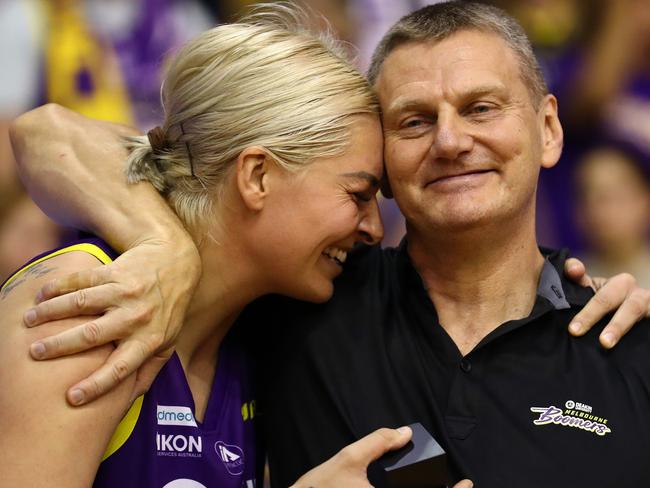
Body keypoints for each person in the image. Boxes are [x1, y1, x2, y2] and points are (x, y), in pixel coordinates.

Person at [9, 1, 650, 487]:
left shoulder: (624, 341)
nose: (450, 142)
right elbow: (50, 133)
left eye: (482, 108)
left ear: (548, 129)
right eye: (414, 121)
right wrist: (163, 246)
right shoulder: (124, 301)